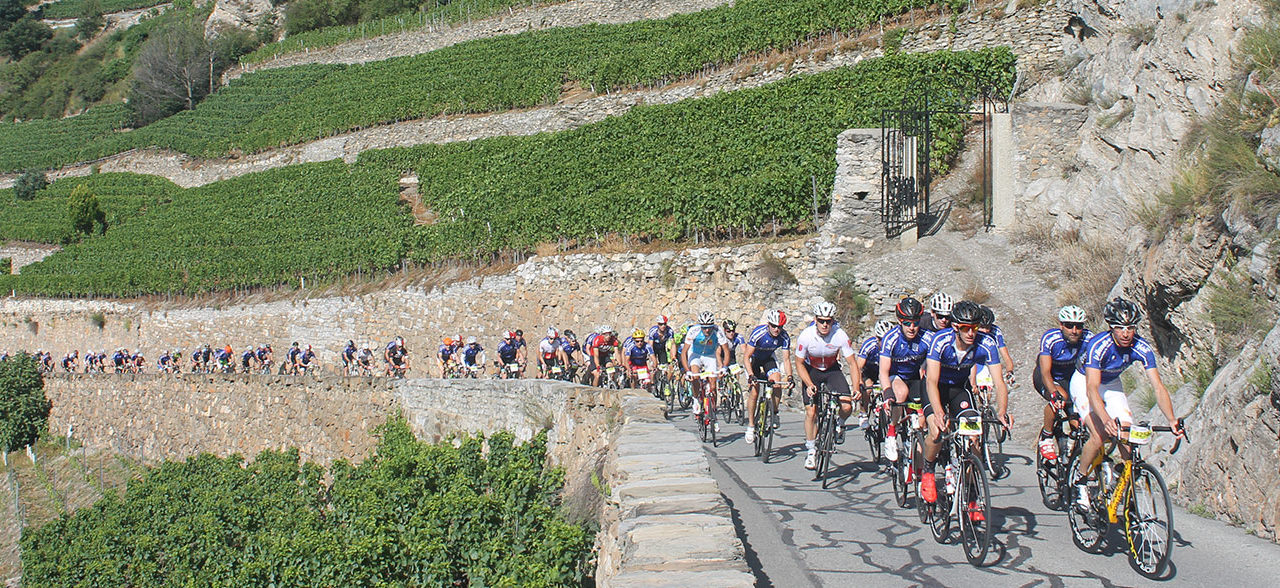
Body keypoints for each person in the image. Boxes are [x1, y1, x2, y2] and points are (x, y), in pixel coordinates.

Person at [1070, 298, 1184, 511]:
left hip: (1111, 382)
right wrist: (1105, 420)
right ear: (1110, 327)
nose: (1125, 333)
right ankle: (1081, 480)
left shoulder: (1142, 347)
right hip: (1085, 380)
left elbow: (1158, 387)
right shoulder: (1098, 345)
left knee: (1126, 432)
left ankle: (1124, 481)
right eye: (1119, 328)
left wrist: (1172, 419)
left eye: (1130, 328)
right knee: (1099, 434)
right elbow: (1092, 388)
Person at [919, 300, 1012, 505]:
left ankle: (971, 492)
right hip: (936, 388)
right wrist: (938, 412)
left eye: (975, 328)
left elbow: (999, 382)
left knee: (974, 437)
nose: (971, 333)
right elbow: (931, 381)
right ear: (955, 327)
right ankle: (927, 471)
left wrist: (1002, 411)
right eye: (965, 328)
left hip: (959, 390)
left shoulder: (986, 344)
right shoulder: (940, 341)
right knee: (935, 430)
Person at [794, 301, 859, 470]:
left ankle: (840, 423)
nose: (824, 324)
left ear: (832, 321)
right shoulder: (806, 336)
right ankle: (810, 451)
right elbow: (799, 363)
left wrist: (857, 388)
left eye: (828, 321)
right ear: (815, 319)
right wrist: (808, 384)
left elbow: (852, 363)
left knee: (846, 404)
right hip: (811, 371)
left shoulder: (840, 335)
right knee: (811, 411)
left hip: (832, 370)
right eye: (821, 320)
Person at [878, 297, 935, 462]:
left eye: (915, 323)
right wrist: (887, 393)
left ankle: (918, 468)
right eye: (907, 323)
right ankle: (891, 432)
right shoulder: (891, 338)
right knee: (901, 393)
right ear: (900, 321)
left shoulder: (927, 338)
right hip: (895, 375)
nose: (912, 327)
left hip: (914, 377)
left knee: (922, 419)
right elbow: (883, 371)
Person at [1034, 306, 1091, 460]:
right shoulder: (1051, 339)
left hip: (1071, 380)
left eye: (1079, 326)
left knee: (1078, 425)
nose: (1074, 330)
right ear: (1061, 325)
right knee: (1060, 398)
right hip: (1048, 376)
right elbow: (1045, 372)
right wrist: (1053, 392)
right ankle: (1046, 436)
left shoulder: (1088, 339)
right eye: (1069, 325)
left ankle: (1071, 456)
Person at [743, 309, 792, 444]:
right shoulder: (759, 333)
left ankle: (775, 412)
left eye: (780, 327)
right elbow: (746, 357)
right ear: (769, 324)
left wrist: (789, 377)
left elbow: (786, 359)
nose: (777, 329)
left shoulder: (784, 337)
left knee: (777, 382)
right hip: (754, 359)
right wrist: (751, 375)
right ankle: (751, 426)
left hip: (768, 359)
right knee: (754, 390)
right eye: (774, 326)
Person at [683, 311, 729, 428]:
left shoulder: (718, 331)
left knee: (713, 386)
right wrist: (687, 371)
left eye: (709, 327)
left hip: (710, 355)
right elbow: (683, 353)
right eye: (704, 328)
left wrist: (724, 367)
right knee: (695, 376)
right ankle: (696, 399)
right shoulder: (694, 331)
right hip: (695, 354)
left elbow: (726, 351)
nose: (707, 330)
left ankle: (713, 413)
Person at [854, 320, 895, 428]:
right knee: (868, 388)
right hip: (870, 371)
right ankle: (863, 413)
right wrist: (859, 381)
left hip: (886, 370)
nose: (885, 342)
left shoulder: (893, 345)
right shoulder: (869, 345)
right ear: (877, 338)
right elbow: (858, 366)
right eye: (882, 340)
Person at [978, 305, 1015, 384]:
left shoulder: (995, 331)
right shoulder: (969, 331)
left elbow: (1006, 356)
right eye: (982, 327)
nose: (986, 330)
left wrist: (1010, 371)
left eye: (988, 327)